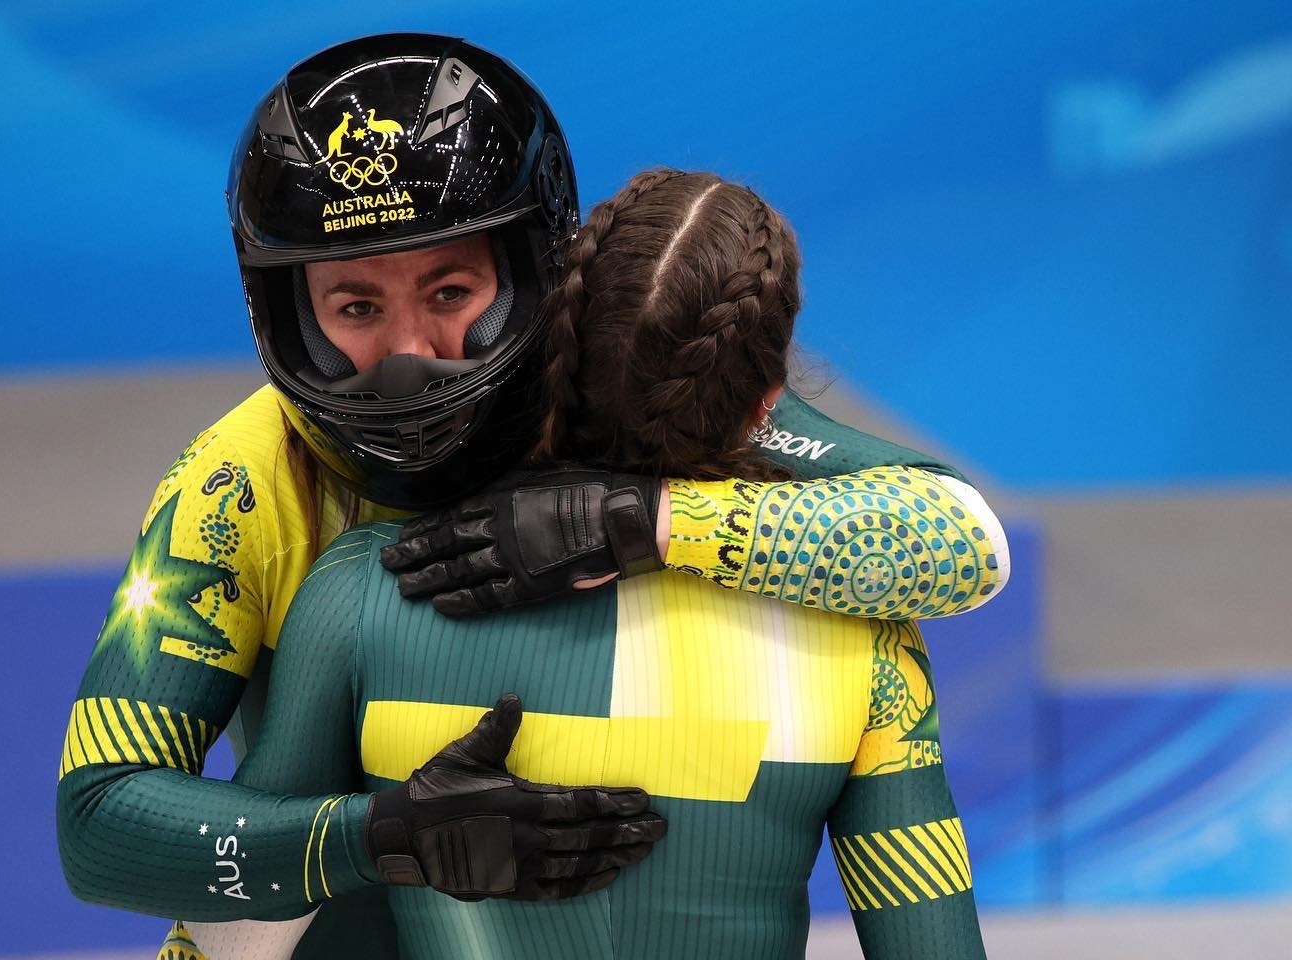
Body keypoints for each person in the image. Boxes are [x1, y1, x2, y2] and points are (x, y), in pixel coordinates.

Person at [55, 33, 1006, 959]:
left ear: (533, 266)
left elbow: (964, 537)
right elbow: (97, 827)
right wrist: (377, 836)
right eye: (356, 307)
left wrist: (643, 520)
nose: (410, 356)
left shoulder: (622, 382)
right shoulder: (241, 479)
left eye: (450, 291)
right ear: (287, 312)